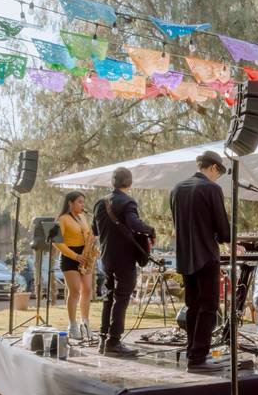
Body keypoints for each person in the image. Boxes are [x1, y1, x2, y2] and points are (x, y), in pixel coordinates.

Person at [170, 150, 232, 373]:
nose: (218, 178)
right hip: (206, 255)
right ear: (213, 168)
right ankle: (198, 357)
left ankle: (192, 352)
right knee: (209, 306)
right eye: (219, 173)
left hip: (185, 256)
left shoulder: (177, 189)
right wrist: (231, 238)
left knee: (193, 305)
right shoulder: (211, 188)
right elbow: (223, 230)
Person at [92, 167, 155, 358]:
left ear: (113, 182)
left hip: (107, 257)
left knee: (109, 297)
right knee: (122, 298)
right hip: (124, 258)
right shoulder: (128, 201)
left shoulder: (100, 203)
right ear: (129, 183)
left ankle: (103, 339)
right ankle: (114, 341)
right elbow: (135, 224)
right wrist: (151, 230)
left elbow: (95, 230)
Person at [53, 191, 94, 340]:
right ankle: (73, 325)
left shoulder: (83, 217)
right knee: (75, 291)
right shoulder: (62, 219)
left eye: (83, 202)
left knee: (88, 290)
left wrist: (92, 240)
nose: (83, 205)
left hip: (85, 255)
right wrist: (76, 256)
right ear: (70, 203)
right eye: (80, 202)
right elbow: (57, 242)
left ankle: (86, 323)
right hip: (70, 257)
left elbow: (89, 234)